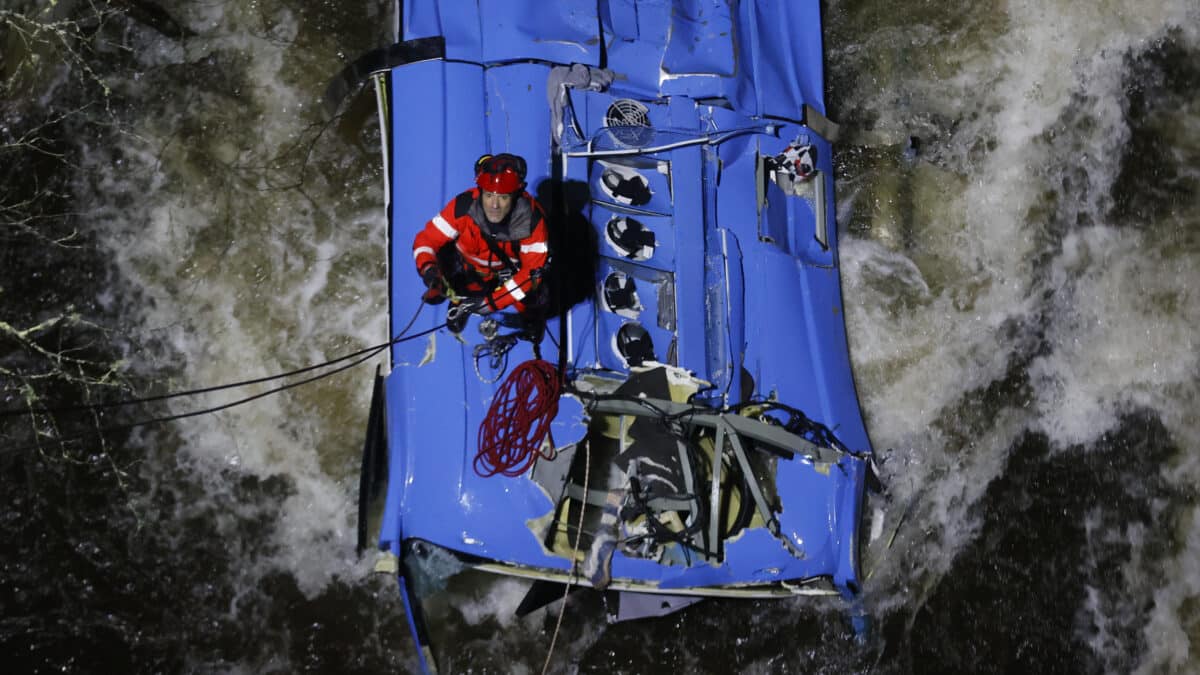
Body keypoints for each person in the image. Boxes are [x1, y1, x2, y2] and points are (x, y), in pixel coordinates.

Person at [412, 153, 550, 333]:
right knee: (457, 280)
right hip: (467, 267)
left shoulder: (532, 223)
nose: (494, 205)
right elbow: (426, 240)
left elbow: (530, 276)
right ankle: (458, 302)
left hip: (507, 274)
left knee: (532, 295)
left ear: (516, 195)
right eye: (489, 195)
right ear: (480, 192)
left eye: (503, 197)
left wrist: (492, 303)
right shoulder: (461, 207)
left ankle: (531, 320)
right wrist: (428, 268)